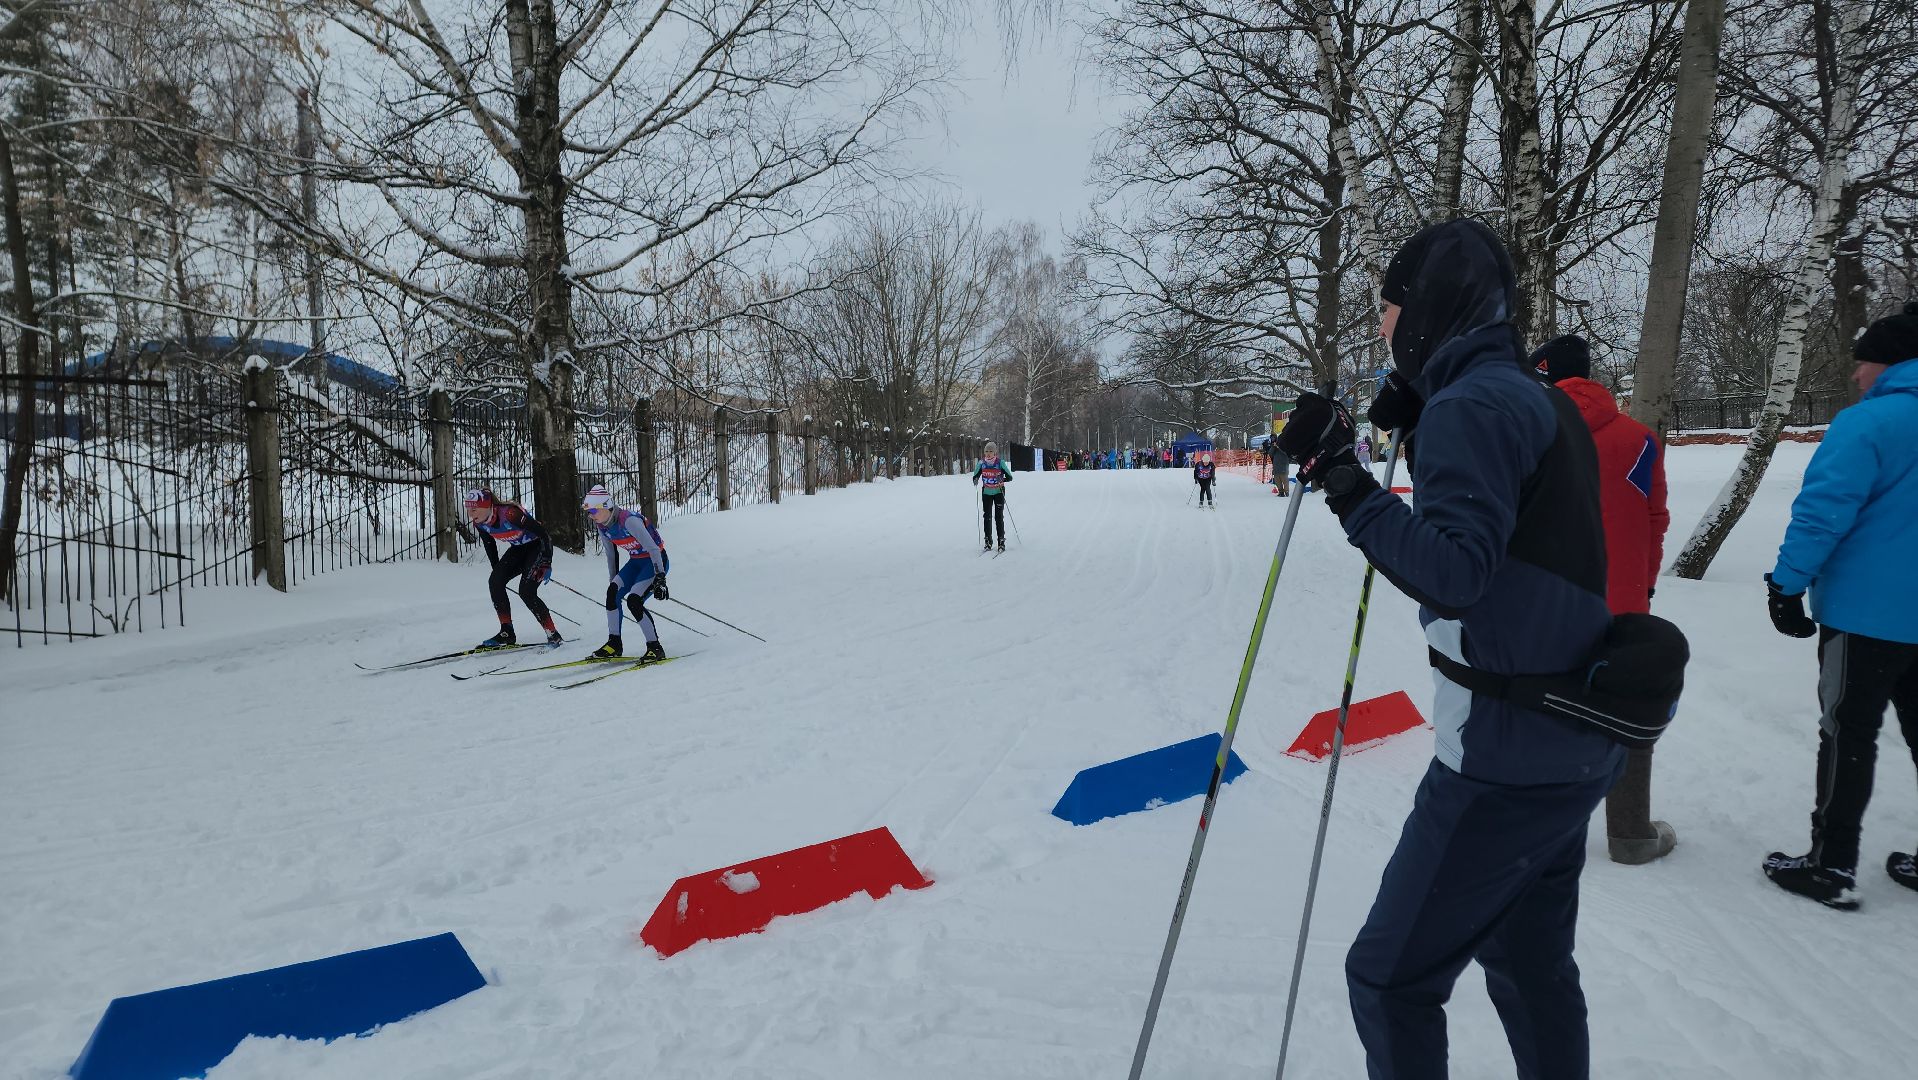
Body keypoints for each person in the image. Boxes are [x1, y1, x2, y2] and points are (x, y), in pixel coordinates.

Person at [1277, 219, 1621, 1080]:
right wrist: (1426, 410)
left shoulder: (1476, 404)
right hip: (1571, 737)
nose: (1382, 326)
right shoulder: (1533, 395)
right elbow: (1520, 541)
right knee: (1526, 961)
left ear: (1428, 308)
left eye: (1388, 308)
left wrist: (1341, 476)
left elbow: (1459, 571)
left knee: (1389, 981)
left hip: (1503, 760)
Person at [1762, 300, 1918, 909]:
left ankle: (1830, 864)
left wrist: (1786, 584)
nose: (1857, 376)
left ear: (1892, 365)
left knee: (1848, 733)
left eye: (1865, 364)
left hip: (1865, 618)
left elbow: (1824, 514)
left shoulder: (1867, 424)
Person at [1533, 334, 1676, 865]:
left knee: (1539, 701)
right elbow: (1654, 518)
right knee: (1629, 703)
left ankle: (1540, 829)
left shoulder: (1531, 429)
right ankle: (1630, 832)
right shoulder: (1639, 438)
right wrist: (1644, 583)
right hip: (1622, 597)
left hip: (1544, 599)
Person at [464, 487, 561, 649]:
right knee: (495, 581)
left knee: (526, 591)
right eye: (468, 509)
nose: (471, 514)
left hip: (537, 547)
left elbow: (544, 534)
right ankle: (507, 632)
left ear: (488, 506)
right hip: (518, 549)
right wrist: (498, 570)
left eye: (474, 509)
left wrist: (546, 562)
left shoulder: (510, 514)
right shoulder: (479, 522)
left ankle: (553, 634)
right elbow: (489, 544)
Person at [582, 484, 669, 662]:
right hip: (636, 562)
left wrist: (660, 578)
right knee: (612, 594)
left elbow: (653, 548)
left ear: (605, 506)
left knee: (634, 601)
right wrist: (613, 582)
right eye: (588, 512)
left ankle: (655, 648)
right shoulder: (603, 525)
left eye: (592, 511)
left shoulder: (628, 520)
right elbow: (611, 554)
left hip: (654, 562)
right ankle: (614, 644)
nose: (590, 516)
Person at [973, 442, 1011, 552]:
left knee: (998, 517)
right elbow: (975, 475)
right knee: (987, 517)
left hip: (999, 492)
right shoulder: (981, 463)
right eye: (986, 451)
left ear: (995, 452)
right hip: (987, 493)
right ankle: (988, 541)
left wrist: (1002, 479)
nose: (988, 453)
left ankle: (1001, 541)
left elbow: (1010, 477)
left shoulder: (1000, 463)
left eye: (991, 451)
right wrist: (975, 479)